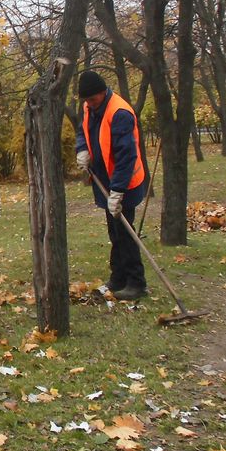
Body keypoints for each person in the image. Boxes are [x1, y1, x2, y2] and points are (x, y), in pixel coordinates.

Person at [74, 70, 148, 301]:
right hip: (105, 180)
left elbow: (126, 157)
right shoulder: (90, 108)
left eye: (92, 99)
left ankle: (136, 283)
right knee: (114, 232)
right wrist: (82, 149)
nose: (89, 104)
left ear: (103, 92)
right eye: (86, 100)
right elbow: (82, 131)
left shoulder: (120, 112)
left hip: (125, 182)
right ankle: (118, 277)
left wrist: (118, 190)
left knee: (125, 232)